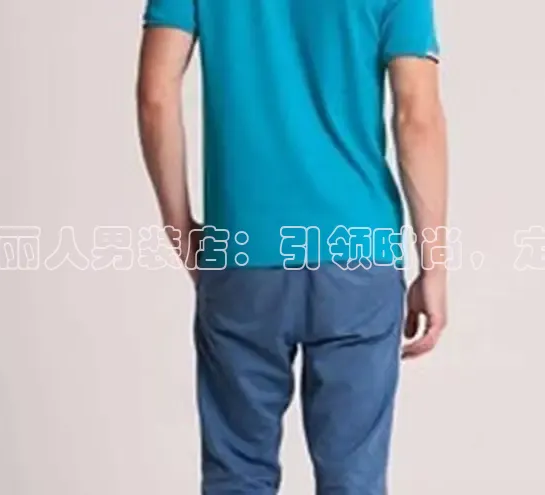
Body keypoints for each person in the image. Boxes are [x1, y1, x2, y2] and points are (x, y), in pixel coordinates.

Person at [137, 0, 448, 492]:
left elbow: (155, 94)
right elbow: (418, 117)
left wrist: (179, 227)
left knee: (237, 476)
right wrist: (433, 265)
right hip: (357, 255)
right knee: (354, 480)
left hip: (243, 249)